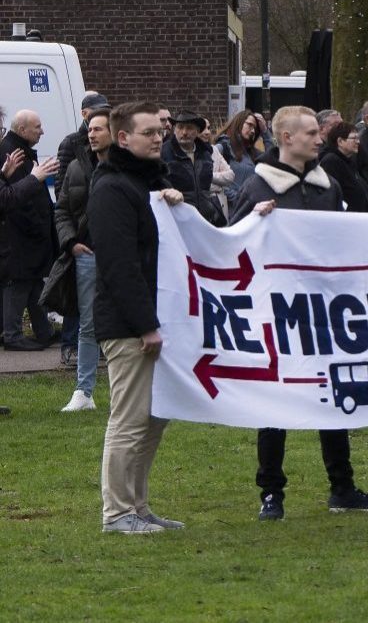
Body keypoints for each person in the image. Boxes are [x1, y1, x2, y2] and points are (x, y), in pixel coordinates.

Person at [230, 106, 368, 521]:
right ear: (285, 137)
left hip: (323, 309)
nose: (320, 139)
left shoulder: (327, 185)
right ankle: (271, 493)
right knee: (275, 402)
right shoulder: (259, 186)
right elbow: (230, 243)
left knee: (334, 396)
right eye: (311, 133)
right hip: (277, 310)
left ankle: (342, 487)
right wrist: (253, 222)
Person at [90, 101, 185, 534]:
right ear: (123, 137)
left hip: (153, 320)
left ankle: (139, 507)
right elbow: (119, 264)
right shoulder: (111, 189)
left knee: (153, 420)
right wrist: (145, 324)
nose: (158, 137)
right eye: (149, 132)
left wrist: (173, 204)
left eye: (160, 131)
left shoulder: (148, 186)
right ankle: (117, 513)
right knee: (129, 420)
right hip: (129, 325)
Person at [56, 108, 112, 412]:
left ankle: (130, 389)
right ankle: (84, 391)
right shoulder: (77, 167)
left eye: (99, 129)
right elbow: (62, 210)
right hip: (87, 256)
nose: (92, 134)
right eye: (90, 129)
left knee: (126, 324)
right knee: (88, 324)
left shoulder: (129, 169)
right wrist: (71, 242)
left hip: (120, 257)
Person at [0, 110, 60, 351]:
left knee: (33, 281)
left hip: (26, 235)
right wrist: (35, 177)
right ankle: (12, 334)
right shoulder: (11, 150)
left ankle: (43, 330)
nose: (42, 131)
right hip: (18, 237)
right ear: (22, 130)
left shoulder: (14, 152)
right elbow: (8, 198)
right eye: (37, 126)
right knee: (19, 282)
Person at [161, 110, 222, 225]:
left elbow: (206, 188)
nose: (184, 132)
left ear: (198, 131)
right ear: (174, 130)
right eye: (180, 127)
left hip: (204, 219)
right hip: (177, 220)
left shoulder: (206, 153)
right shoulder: (164, 152)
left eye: (189, 128)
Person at [318, 121, 368, 213]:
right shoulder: (331, 162)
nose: (358, 142)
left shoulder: (349, 160)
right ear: (340, 141)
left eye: (358, 138)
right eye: (354, 138)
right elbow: (331, 195)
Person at [216, 110, 264, 205]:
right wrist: (237, 198)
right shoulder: (224, 146)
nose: (253, 131)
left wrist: (265, 131)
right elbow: (212, 178)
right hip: (230, 210)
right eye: (250, 125)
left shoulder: (252, 153)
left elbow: (272, 163)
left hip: (248, 209)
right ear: (239, 123)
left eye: (255, 128)